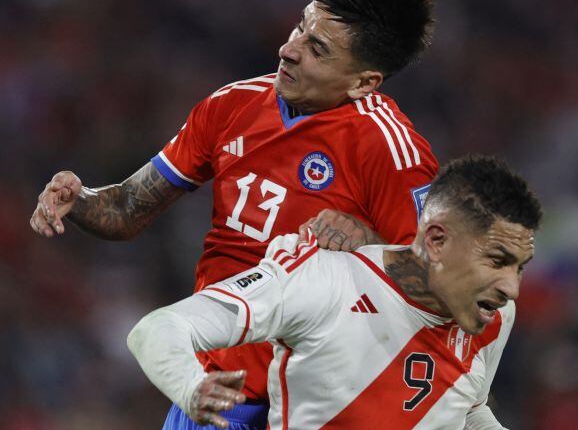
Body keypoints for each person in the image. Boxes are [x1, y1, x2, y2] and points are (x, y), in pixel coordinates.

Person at [29, 0, 440, 430]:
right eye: (299, 28)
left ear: (363, 82)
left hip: (310, 408)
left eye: (319, 49)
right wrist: (79, 200)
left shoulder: (392, 151)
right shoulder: (231, 108)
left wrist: (367, 243)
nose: (290, 50)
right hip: (211, 394)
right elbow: (126, 209)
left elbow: (438, 287)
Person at [128, 155, 542, 430]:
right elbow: (158, 329)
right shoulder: (326, 279)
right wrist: (190, 385)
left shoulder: (491, 315)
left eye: (519, 268)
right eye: (497, 260)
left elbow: (467, 410)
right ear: (435, 240)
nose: (511, 287)